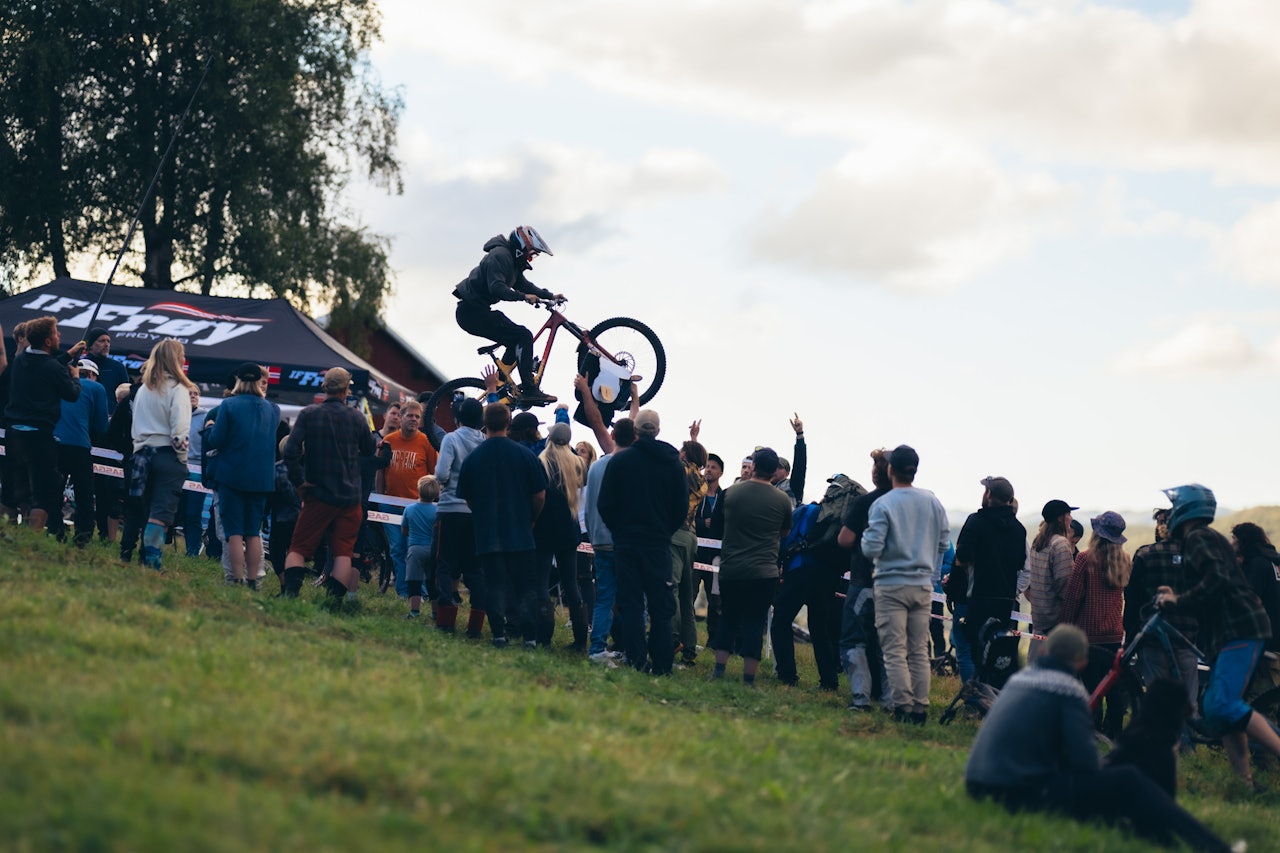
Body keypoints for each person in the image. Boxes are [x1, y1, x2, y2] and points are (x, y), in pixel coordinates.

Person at [965, 624, 1237, 853]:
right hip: (1020, 793)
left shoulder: (1019, 680)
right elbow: (1086, 765)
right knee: (1129, 779)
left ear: (1045, 650)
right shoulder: (1068, 690)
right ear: (1082, 662)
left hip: (978, 783)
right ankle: (1213, 846)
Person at [1156, 484, 1280, 789]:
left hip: (1239, 627)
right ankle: (1245, 784)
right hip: (1232, 628)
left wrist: (1178, 601)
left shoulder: (1196, 537)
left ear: (1185, 510)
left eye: (1174, 509)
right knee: (1222, 708)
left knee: (1221, 704)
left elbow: (1217, 580)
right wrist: (1179, 594)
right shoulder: (1209, 538)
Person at [861, 444, 950, 724]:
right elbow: (943, 543)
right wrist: (932, 576)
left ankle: (901, 707)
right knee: (918, 650)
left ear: (890, 470)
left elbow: (871, 547)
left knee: (895, 649)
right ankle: (920, 708)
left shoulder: (883, 504)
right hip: (923, 585)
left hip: (891, 584)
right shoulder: (932, 502)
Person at [597, 408, 687, 675]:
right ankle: (662, 664)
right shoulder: (672, 463)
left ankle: (637, 660)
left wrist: (620, 530)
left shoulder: (621, 461)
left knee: (631, 602)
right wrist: (663, 530)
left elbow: (605, 503)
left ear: (635, 430)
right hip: (658, 543)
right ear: (657, 431)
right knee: (661, 606)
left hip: (626, 542)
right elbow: (680, 509)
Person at [280, 367, 377, 605]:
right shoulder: (356, 417)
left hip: (317, 492)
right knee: (344, 551)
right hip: (350, 496)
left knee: (298, 547)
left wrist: (299, 482)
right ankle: (333, 604)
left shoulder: (309, 414)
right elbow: (369, 449)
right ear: (346, 390)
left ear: (324, 388)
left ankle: (289, 596)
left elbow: (290, 449)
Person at [457, 403, 547, 647]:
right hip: (520, 530)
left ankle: (499, 634)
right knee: (525, 587)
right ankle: (529, 638)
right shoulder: (526, 455)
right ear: (508, 423)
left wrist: (481, 514)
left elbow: (468, 497)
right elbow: (539, 495)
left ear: (484, 425)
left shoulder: (473, 458)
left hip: (487, 532)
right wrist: (532, 518)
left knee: (493, 585)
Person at [710, 446, 794, 686]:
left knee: (728, 618)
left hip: (732, 567)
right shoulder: (782, 500)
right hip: (764, 571)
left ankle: (718, 671)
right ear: (774, 470)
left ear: (754, 466)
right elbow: (785, 531)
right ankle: (749, 679)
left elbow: (718, 523)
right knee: (755, 622)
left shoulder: (732, 493)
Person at [452, 227, 563, 406]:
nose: (530, 258)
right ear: (521, 247)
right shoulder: (500, 256)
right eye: (530, 254)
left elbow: (524, 285)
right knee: (523, 335)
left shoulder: (511, 261)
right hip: (471, 312)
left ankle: (502, 384)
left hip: (476, 311)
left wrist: (550, 296)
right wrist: (523, 298)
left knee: (515, 339)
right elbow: (496, 287)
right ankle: (529, 389)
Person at [2, 316, 83, 529]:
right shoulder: (54, 369)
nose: (59, 336)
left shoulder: (19, 362)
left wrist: (67, 355)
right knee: (43, 494)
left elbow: (44, 366)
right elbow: (72, 394)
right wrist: (75, 377)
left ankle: (4, 534)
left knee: (11, 489)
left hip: (14, 433)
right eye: (56, 333)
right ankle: (32, 539)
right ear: (47, 341)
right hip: (39, 435)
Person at [205, 363, 281, 588]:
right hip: (262, 479)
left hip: (232, 476)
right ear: (259, 381)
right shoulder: (273, 409)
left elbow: (216, 440)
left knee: (234, 532)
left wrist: (210, 427)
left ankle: (235, 579)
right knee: (253, 532)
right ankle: (253, 581)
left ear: (239, 381)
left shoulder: (229, 405)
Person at [1060, 511, 1132, 736]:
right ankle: (1115, 733)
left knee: (1092, 689)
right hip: (1114, 634)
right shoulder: (1125, 560)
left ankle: (1093, 733)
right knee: (1113, 689)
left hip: (1087, 636)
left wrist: (1064, 629)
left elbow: (1073, 598)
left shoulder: (1085, 558)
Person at [130, 339, 198, 571]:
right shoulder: (178, 389)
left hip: (142, 454)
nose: (183, 359)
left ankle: (143, 557)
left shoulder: (143, 389)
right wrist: (182, 459)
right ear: (175, 360)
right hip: (167, 455)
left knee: (148, 509)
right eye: (182, 356)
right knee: (161, 512)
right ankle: (151, 562)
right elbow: (180, 432)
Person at [950, 476, 1027, 673]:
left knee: (973, 650)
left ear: (989, 494)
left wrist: (953, 589)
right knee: (997, 651)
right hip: (1006, 600)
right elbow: (1020, 563)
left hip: (978, 597)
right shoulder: (1019, 529)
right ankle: (995, 695)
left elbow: (962, 556)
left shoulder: (976, 521)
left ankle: (975, 697)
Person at [838, 448, 893, 712]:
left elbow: (845, 539)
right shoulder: (906, 504)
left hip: (863, 580)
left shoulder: (864, 503)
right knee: (889, 644)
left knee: (854, 639)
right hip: (895, 584)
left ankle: (860, 698)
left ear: (876, 473)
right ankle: (891, 700)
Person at [1127, 507, 1199, 707]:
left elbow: (1132, 599)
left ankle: (1163, 735)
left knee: (1157, 696)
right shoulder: (1195, 555)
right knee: (1188, 698)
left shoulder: (1144, 554)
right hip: (1187, 636)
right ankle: (1187, 734)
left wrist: (1131, 634)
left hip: (1153, 636)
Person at [584, 417, 637, 666]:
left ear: (613, 436)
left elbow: (589, 504)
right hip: (623, 540)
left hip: (599, 538)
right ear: (635, 438)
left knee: (604, 596)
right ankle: (631, 647)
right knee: (631, 598)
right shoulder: (630, 466)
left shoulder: (595, 467)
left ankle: (597, 647)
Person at [433, 398, 488, 636]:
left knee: (444, 564)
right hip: (477, 512)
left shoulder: (451, 439)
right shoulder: (486, 442)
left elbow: (442, 473)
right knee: (474, 569)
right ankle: (475, 624)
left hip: (450, 508)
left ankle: (446, 621)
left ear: (458, 417)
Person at [534, 422, 590, 650]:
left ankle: (544, 638)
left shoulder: (543, 462)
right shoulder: (578, 463)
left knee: (540, 583)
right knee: (571, 583)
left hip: (545, 527)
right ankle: (579, 640)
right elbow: (583, 483)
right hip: (569, 527)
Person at [376, 399, 439, 599]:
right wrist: (380, 499)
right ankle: (404, 592)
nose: (413, 419)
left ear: (421, 421)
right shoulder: (389, 441)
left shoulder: (427, 442)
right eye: (409, 415)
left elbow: (434, 474)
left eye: (417, 416)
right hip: (390, 504)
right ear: (400, 417)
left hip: (417, 507)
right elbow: (380, 471)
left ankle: (420, 592)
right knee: (397, 549)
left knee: (415, 551)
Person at [52, 357, 108, 546]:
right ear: (93, 374)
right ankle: (82, 538)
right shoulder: (97, 388)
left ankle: (55, 531)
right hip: (79, 445)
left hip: (54, 444)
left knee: (53, 492)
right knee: (84, 496)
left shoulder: (60, 384)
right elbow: (101, 424)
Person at [1027, 498, 1078, 661]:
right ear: (1060, 518)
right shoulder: (1061, 544)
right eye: (1068, 514)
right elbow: (1064, 584)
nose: (1070, 518)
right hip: (1056, 619)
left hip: (1039, 614)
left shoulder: (1038, 542)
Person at [671, 439, 707, 667]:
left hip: (673, 534)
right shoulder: (701, 480)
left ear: (685, 454)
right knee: (686, 595)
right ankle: (690, 648)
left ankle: (672, 639)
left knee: (670, 590)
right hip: (691, 537)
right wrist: (694, 441)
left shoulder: (677, 470)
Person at [693, 451, 725, 648]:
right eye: (707, 467)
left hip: (716, 556)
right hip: (696, 552)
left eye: (713, 467)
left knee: (716, 598)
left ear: (721, 472)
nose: (709, 471)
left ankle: (713, 639)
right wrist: (701, 523)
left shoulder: (725, 496)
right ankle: (685, 636)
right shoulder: (697, 494)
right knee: (690, 593)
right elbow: (686, 516)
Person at [1232, 522, 1280, 653]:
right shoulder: (1271, 560)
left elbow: (1248, 598)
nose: (1232, 543)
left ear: (1244, 541)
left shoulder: (1257, 563)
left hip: (1262, 636)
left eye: (1235, 539)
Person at [402, 475, 440, 620]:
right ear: (437, 493)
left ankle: (414, 611)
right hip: (433, 549)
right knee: (432, 582)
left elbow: (404, 531)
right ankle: (436, 612)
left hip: (415, 549)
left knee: (414, 581)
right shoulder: (438, 510)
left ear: (417, 490)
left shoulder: (409, 509)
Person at [83, 327, 130, 415]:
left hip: (111, 417)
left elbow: (125, 394)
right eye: (102, 341)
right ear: (90, 345)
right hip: (85, 415)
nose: (106, 344)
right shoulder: (80, 366)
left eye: (108, 341)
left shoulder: (118, 367)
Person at [771, 414, 807, 506]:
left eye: (779, 467)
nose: (775, 469)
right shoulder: (762, 486)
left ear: (787, 473)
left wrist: (800, 435)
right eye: (773, 466)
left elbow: (800, 466)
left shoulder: (792, 486)